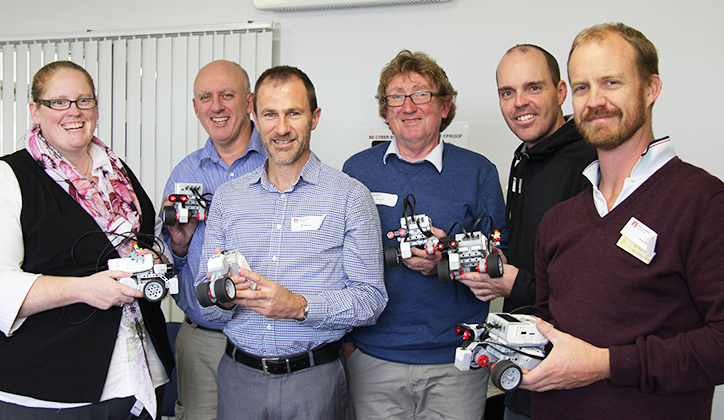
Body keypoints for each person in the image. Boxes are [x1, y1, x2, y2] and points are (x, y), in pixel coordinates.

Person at [521, 23, 724, 420]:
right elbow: (549, 324)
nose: (595, 101)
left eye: (611, 82)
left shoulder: (704, 202)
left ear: (651, 89)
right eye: (582, 88)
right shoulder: (559, 221)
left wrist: (605, 363)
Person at [194, 65, 387, 420]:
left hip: (315, 382)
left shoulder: (350, 197)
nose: (281, 128)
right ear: (254, 116)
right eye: (270, 114)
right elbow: (204, 300)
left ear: (314, 118)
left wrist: (298, 306)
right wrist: (223, 292)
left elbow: (371, 300)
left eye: (293, 113)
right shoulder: (227, 198)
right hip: (239, 379)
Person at [0, 60, 174, 419]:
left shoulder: (117, 172)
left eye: (84, 101)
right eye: (58, 102)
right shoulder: (10, 176)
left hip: (139, 377)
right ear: (35, 111)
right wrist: (83, 290)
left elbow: (143, 240)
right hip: (53, 388)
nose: (74, 112)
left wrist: (151, 261)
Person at [342, 50, 507, 419]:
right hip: (374, 357)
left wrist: (446, 257)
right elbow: (339, 259)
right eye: (396, 96)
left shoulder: (478, 171)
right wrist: (350, 345)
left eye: (421, 94)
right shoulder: (356, 170)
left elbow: (501, 258)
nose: (408, 106)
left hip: (455, 359)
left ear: (445, 107)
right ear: (385, 111)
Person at [455, 45, 597, 420]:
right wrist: (497, 265)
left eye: (533, 88)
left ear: (561, 92)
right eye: (507, 92)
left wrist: (512, 285)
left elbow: (593, 293)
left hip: (569, 380)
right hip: (522, 369)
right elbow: (533, 251)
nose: (520, 102)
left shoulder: (591, 165)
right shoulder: (525, 157)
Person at [161, 59, 267, 420]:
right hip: (201, 340)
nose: (216, 106)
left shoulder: (281, 159)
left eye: (227, 95)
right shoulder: (184, 172)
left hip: (264, 334)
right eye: (206, 97)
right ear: (195, 107)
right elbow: (169, 263)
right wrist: (178, 244)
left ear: (249, 101)